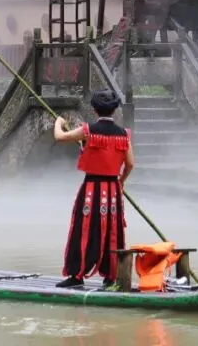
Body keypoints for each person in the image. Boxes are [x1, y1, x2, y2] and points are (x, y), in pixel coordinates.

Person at [53, 90, 134, 289]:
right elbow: (130, 164)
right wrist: (121, 181)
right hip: (113, 190)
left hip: (91, 188)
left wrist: (58, 122)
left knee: (83, 229)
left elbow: (60, 137)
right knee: (113, 231)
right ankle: (111, 276)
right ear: (114, 110)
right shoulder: (124, 134)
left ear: (95, 109)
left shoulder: (87, 131)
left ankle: (77, 275)